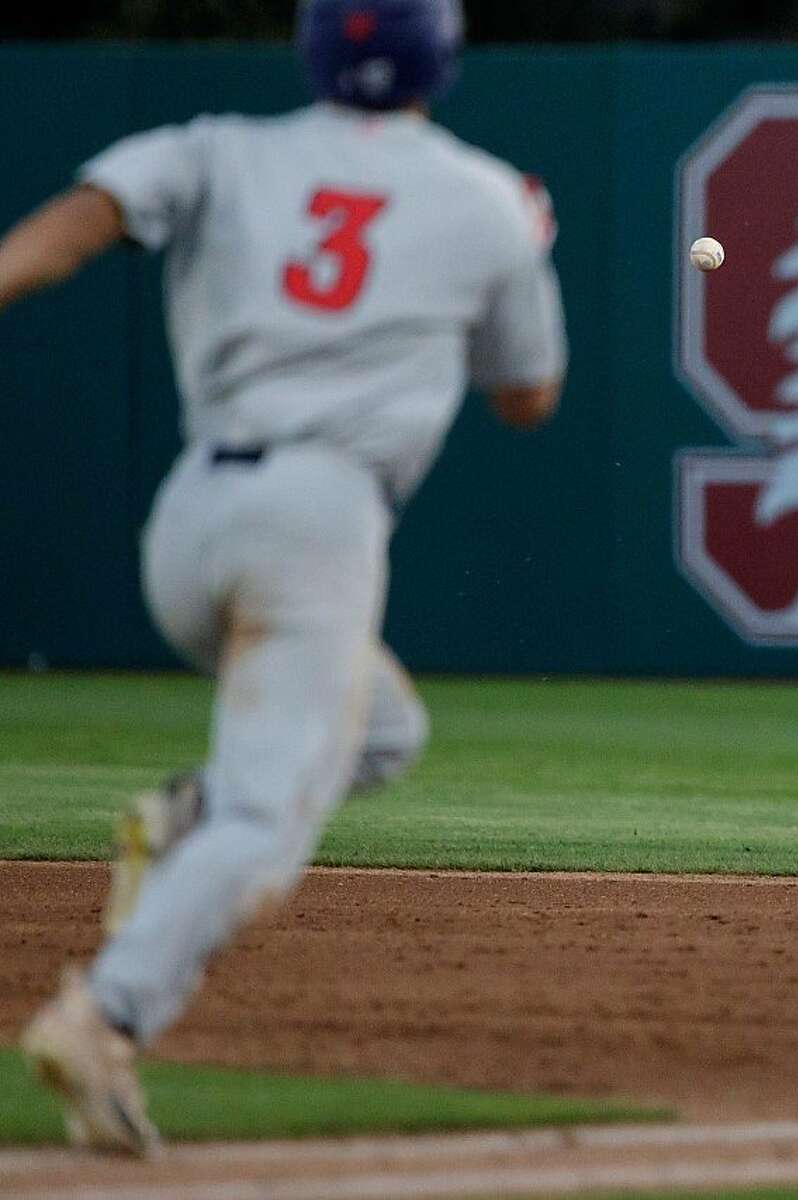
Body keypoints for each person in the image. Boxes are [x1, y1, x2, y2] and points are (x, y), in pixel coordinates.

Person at [1, 0, 566, 1156]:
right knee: (272, 818)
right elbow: (528, 399)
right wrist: (519, 249)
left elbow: (82, 218)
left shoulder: (222, 147)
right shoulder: (485, 199)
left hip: (191, 518)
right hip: (317, 520)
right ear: (442, 58)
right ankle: (104, 1016)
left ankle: (185, 817)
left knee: (383, 730)